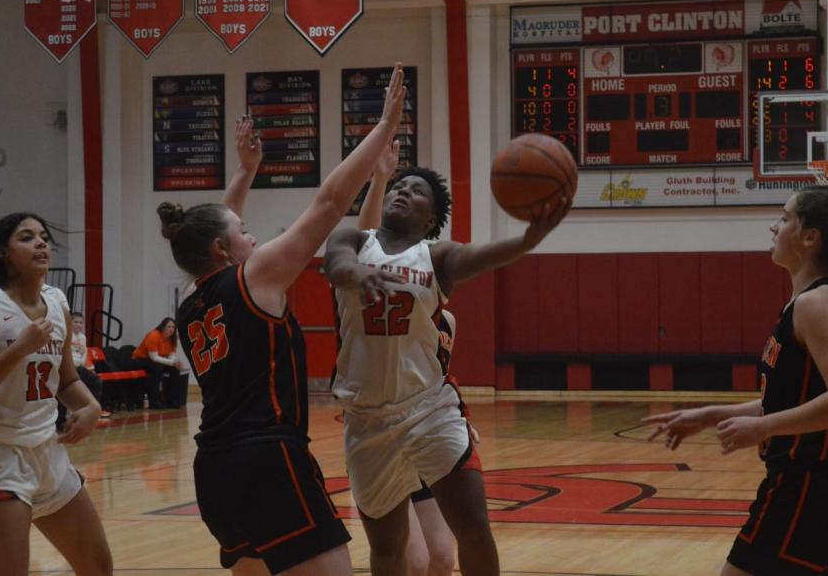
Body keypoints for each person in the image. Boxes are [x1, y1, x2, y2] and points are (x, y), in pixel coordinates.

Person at [160, 63, 407, 576]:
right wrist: (382, 128)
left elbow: (211, 236)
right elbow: (331, 200)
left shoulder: (190, 300)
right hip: (267, 458)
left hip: (214, 471)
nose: (253, 238)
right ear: (224, 249)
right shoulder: (256, 277)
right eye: (245, 232)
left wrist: (245, 174)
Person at [324, 158, 570, 575]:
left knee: (473, 530)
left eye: (417, 191)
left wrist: (527, 240)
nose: (403, 191)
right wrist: (356, 273)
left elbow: (482, 254)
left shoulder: (436, 257)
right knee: (387, 548)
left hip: (429, 410)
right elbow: (336, 266)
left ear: (431, 218)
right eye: (400, 186)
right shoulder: (352, 239)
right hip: (366, 420)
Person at [642, 184, 828, 576]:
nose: (773, 227)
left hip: (805, 494)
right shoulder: (815, 301)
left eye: (784, 218)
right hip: (821, 496)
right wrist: (710, 415)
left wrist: (762, 426)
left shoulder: (815, 304)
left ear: (810, 237)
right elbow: (794, 398)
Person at [0, 212, 112, 576]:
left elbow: (67, 381)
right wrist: (18, 349)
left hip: (48, 451)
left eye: (43, 236)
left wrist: (90, 405)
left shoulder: (58, 305)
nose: (40, 243)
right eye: (26, 237)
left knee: (98, 566)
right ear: (4, 253)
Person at [357, 142, 455, 576]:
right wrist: (379, 179)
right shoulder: (366, 262)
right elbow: (365, 239)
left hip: (424, 433)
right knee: (412, 560)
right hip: (381, 433)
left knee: (444, 558)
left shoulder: (443, 309)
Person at [129, 317, 183, 409]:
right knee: (157, 368)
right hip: (139, 359)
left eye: (173, 327)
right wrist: (171, 362)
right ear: (163, 327)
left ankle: (171, 400)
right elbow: (153, 357)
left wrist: (174, 362)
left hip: (156, 360)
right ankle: (154, 401)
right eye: (168, 327)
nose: (171, 329)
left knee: (174, 369)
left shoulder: (172, 339)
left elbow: (171, 355)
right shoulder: (153, 335)